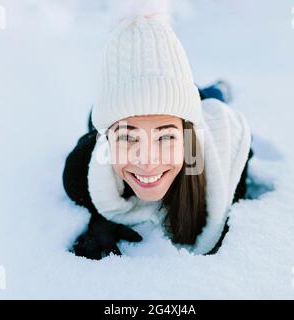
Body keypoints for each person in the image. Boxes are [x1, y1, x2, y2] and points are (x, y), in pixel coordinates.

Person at [62, 14, 253, 260]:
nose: (147, 161)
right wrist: (100, 215)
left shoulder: (224, 144)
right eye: (127, 137)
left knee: (207, 95)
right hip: (121, 101)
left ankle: (219, 87)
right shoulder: (81, 172)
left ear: (186, 135)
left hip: (188, 97)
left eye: (165, 137)